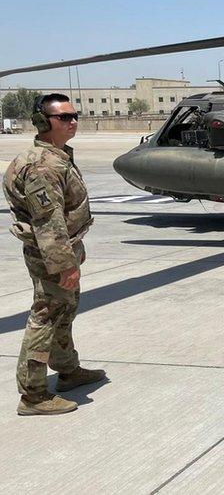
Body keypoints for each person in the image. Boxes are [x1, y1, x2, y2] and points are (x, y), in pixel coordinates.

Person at [3, 93, 104, 416]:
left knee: (64, 310)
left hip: (63, 247)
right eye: (64, 118)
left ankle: (68, 370)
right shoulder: (42, 166)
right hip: (50, 253)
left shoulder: (57, 157)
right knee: (46, 315)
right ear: (44, 123)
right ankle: (33, 394)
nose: (72, 122)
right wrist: (63, 264)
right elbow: (49, 221)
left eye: (75, 116)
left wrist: (76, 249)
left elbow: (66, 214)